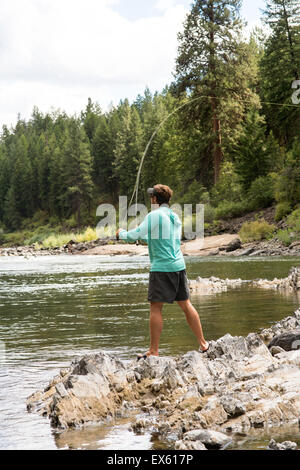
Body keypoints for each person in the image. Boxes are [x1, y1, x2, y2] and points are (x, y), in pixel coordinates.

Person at [116, 184, 209, 359]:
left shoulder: (154, 215)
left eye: (151, 197)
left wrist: (121, 233)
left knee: (156, 308)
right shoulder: (174, 216)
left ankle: (153, 351)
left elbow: (133, 236)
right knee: (186, 304)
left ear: (154, 199)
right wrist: (145, 238)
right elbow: (159, 238)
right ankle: (204, 344)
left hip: (161, 268)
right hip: (178, 266)